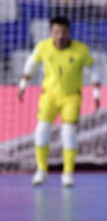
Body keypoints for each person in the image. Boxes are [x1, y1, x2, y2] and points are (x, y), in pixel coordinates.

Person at [17, 16, 101, 187]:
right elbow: (31, 64)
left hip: (71, 97)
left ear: (69, 32)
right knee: (41, 131)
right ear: (51, 32)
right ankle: (41, 171)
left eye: (63, 32)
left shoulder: (80, 50)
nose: (60, 36)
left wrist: (96, 92)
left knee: (68, 133)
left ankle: (68, 173)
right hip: (49, 95)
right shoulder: (43, 47)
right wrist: (23, 85)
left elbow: (93, 67)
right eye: (56, 32)